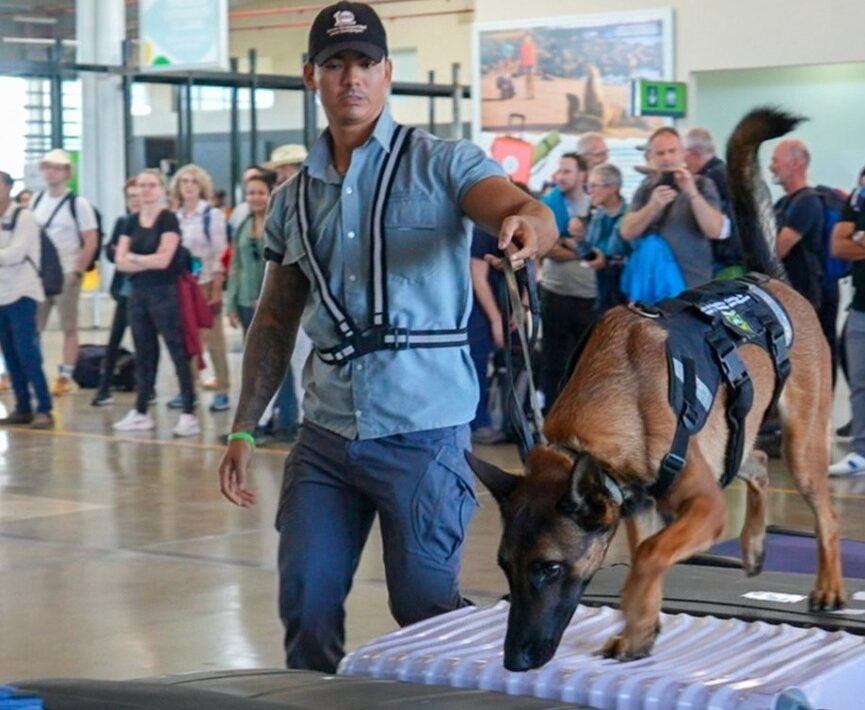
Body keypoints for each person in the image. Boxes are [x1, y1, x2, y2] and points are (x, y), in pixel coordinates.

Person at [217, 0, 556, 674]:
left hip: (423, 431)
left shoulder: (442, 163)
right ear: (310, 75)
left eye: (364, 63)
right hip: (326, 436)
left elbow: (521, 207)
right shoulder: (292, 199)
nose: (351, 78)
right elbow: (274, 319)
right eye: (335, 64)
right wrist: (244, 429)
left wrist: (528, 227)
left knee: (423, 607)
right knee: (306, 599)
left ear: (386, 73)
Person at [112, 169, 200, 437]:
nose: (146, 190)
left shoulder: (168, 219)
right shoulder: (130, 221)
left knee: (177, 351)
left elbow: (164, 260)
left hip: (165, 294)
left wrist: (135, 258)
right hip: (138, 295)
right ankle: (141, 411)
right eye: (142, 186)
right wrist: (143, 260)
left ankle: (188, 412)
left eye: (151, 185)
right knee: (143, 352)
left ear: (161, 189)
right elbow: (119, 261)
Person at [620, 126, 725, 288]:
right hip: (653, 284)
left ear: (683, 153)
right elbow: (627, 232)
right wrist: (652, 207)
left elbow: (715, 230)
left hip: (692, 283)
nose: (667, 158)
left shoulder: (703, 184)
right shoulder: (646, 187)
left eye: (672, 151)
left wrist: (692, 193)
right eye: (660, 153)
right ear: (651, 157)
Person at [31, 148, 99, 396]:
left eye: (57, 168)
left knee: (69, 326)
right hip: (40, 275)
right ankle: (33, 372)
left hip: (66, 272)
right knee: (33, 327)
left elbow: (90, 240)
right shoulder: (37, 200)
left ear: (67, 173)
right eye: (48, 167)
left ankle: (66, 375)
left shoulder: (78, 204)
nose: (51, 173)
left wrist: (77, 272)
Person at [170, 164, 231, 412]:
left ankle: (222, 389)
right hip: (183, 284)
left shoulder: (211, 216)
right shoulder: (175, 217)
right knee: (186, 339)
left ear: (202, 186)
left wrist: (217, 289)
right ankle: (189, 388)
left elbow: (220, 255)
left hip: (205, 283)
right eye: (184, 181)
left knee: (214, 339)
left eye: (193, 181)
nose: (188, 186)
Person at [91, 178, 154, 406]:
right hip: (126, 290)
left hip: (148, 291)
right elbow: (111, 252)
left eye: (137, 196)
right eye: (130, 197)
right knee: (114, 339)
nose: (134, 201)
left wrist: (128, 254)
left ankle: (148, 388)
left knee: (145, 342)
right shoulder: (123, 222)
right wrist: (117, 252)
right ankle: (104, 388)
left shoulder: (153, 222)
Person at [539, 152, 594, 410]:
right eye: (560, 170)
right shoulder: (548, 206)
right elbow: (545, 248)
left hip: (589, 295)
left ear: (582, 174)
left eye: (568, 171)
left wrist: (568, 245)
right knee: (553, 361)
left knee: (586, 361)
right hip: (556, 292)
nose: (561, 176)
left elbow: (603, 247)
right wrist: (580, 250)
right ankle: (551, 413)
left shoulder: (594, 206)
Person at [0, 170, 53, 429]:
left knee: (27, 351)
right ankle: (22, 407)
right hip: (1, 295)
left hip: (22, 293)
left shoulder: (25, 217)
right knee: (9, 353)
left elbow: (17, 253)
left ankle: (44, 407)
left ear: (8, 188)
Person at [829, 176, 865, 475]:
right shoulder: (858, 197)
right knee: (859, 383)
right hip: (860, 308)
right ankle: (861, 452)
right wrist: (853, 240)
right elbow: (839, 246)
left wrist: (860, 239)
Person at [683, 126, 743, 279]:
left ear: (694, 153)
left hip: (724, 260)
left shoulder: (709, 180)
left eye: (684, 154)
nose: (683, 162)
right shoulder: (726, 172)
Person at [226, 173, 275, 334]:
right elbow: (235, 267)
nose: (256, 198)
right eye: (251, 193)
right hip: (245, 301)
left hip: (272, 302)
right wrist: (231, 305)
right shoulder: (242, 227)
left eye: (261, 193)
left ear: (271, 194)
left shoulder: (278, 228)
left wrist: (267, 297)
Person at [584, 163, 630, 312]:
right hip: (602, 292)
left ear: (612, 188)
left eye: (593, 186)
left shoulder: (630, 218)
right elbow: (590, 247)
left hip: (626, 295)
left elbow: (636, 257)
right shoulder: (598, 215)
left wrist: (608, 261)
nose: (589, 191)